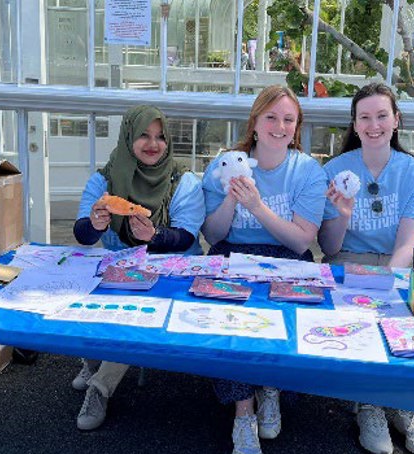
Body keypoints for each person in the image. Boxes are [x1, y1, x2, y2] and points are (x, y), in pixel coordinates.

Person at [201, 85, 328, 454]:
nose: (279, 126)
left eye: (288, 119)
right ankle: (244, 411)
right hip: (231, 253)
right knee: (226, 317)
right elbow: (212, 234)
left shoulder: (307, 170)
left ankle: (271, 386)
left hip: (287, 258)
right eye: (270, 117)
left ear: (297, 126)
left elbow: (302, 242)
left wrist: (256, 206)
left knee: (287, 314)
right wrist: (230, 198)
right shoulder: (225, 163)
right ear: (254, 122)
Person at [71, 105, 205, 431]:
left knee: (134, 314)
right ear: (128, 136)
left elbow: (187, 234)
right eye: (144, 135)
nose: (153, 144)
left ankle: (100, 386)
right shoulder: (104, 179)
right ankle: (91, 360)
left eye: (160, 137)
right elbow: (82, 235)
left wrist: (155, 235)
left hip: (174, 270)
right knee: (76, 296)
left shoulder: (182, 179)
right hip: (120, 267)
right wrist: (95, 224)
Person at [318, 82, 414, 454]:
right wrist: (343, 215)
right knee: (359, 324)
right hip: (347, 261)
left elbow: (408, 243)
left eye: (382, 115)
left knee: (405, 323)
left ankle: (405, 401)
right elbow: (328, 247)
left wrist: (384, 282)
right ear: (354, 124)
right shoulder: (335, 170)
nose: (374, 125)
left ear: (396, 120)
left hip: (395, 265)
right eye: (364, 117)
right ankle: (368, 404)